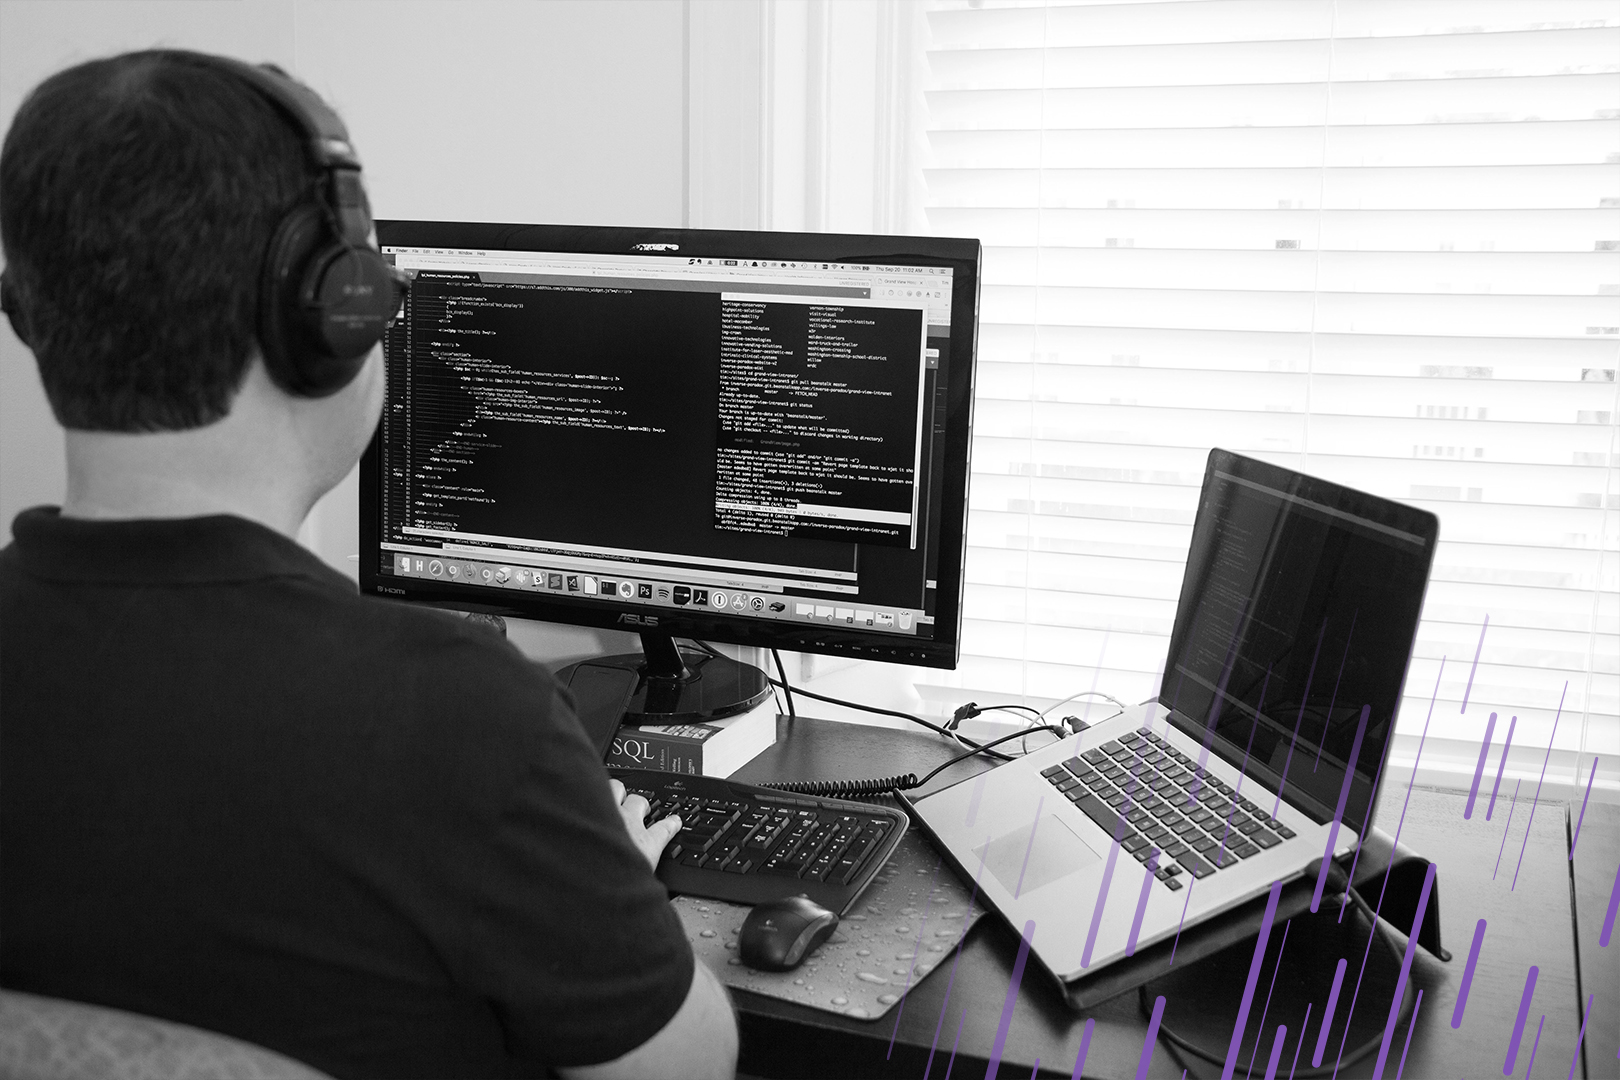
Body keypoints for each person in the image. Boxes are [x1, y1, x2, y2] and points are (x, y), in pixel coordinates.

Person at [0, 49, 737, 1080]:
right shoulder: (461, 716)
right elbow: (681, 1068)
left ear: (32, 314)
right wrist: (612, 882)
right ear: (332, 312)